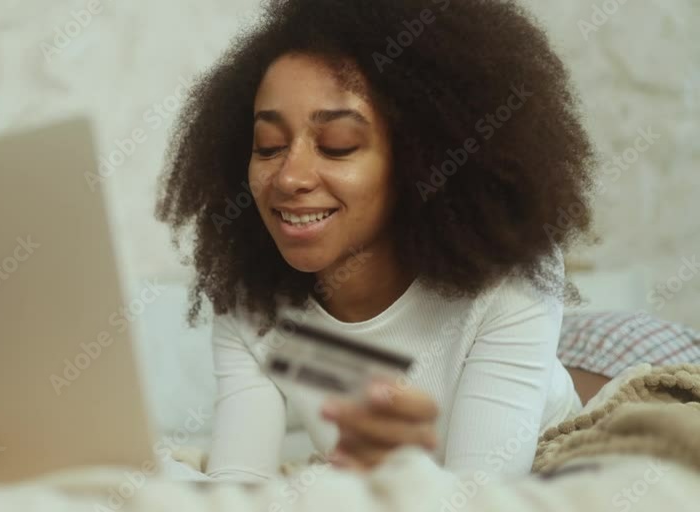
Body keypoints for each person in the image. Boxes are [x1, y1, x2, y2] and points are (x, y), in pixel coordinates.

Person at [156, 0, 598, 480]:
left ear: (418, 160)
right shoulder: (250, 303)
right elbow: (236, 500)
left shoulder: (509, 277)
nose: (289, 178)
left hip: (552, 458)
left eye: (338, 145)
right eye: (268, 147)